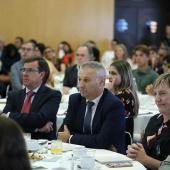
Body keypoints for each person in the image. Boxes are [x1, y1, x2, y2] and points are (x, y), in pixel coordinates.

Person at [58, 61, 125, 154]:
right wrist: (95, 141)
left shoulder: (114, 105)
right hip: (78, 153)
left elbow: (103, 141)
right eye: (79, 79)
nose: (80, 85)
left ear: (101, 81)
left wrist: (70, 138)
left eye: (86, 80)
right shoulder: (75, 99)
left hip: (108, 158)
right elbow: (63, 131)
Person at [1, 56, 61, 140]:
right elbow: (5, 123)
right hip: (16, 143)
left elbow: (40, 119)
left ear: (41, 74)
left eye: (29, 70)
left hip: (43, 145)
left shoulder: (52, 95)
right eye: (24, 70)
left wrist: (9, 115)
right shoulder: (13, 95)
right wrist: (36, 129)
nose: (24, 73)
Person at [127, 73, 170, 170]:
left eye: (162, 93)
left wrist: (144, 159)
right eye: (155, 94)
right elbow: (143, 150)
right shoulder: (155, 120)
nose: (157, 99)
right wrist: (135, 152)